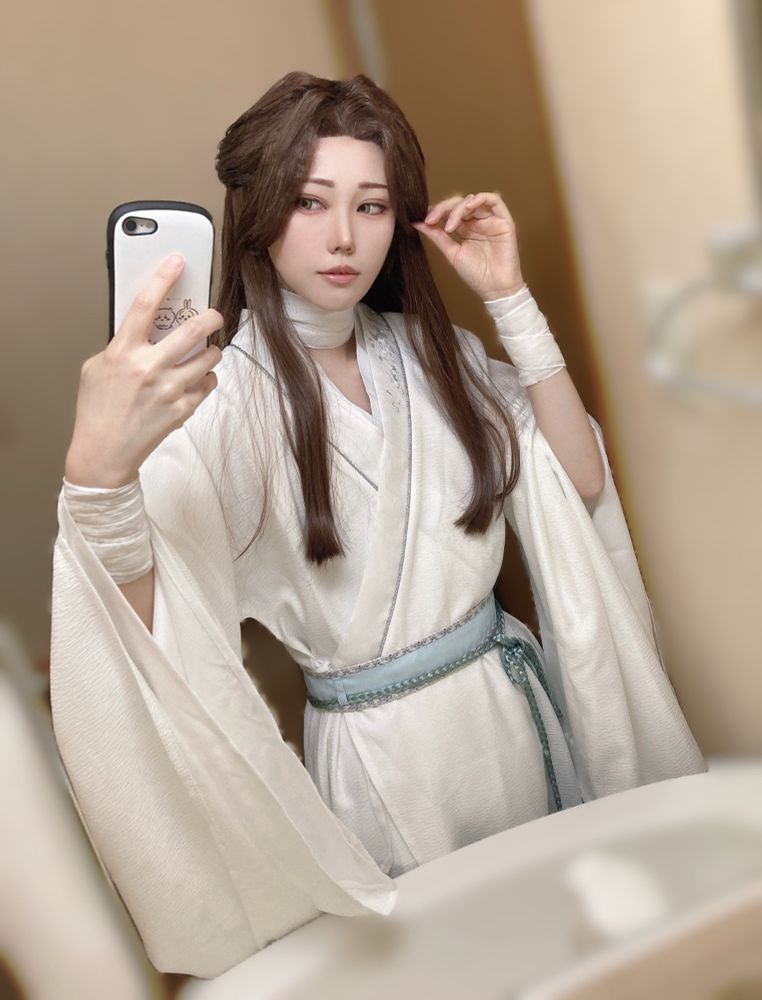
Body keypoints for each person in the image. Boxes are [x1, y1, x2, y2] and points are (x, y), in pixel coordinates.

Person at [50, 70, 707, 978]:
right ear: (258, 213)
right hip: (383, 760)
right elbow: (152, 624)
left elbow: (577, 480)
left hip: (515, 709)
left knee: (578, 958)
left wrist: (509, 300)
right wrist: (99, 474)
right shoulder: (218, 402)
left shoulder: (435, 357)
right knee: (454, 974)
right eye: (310, 202)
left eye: (373, 205)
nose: (344, 237)